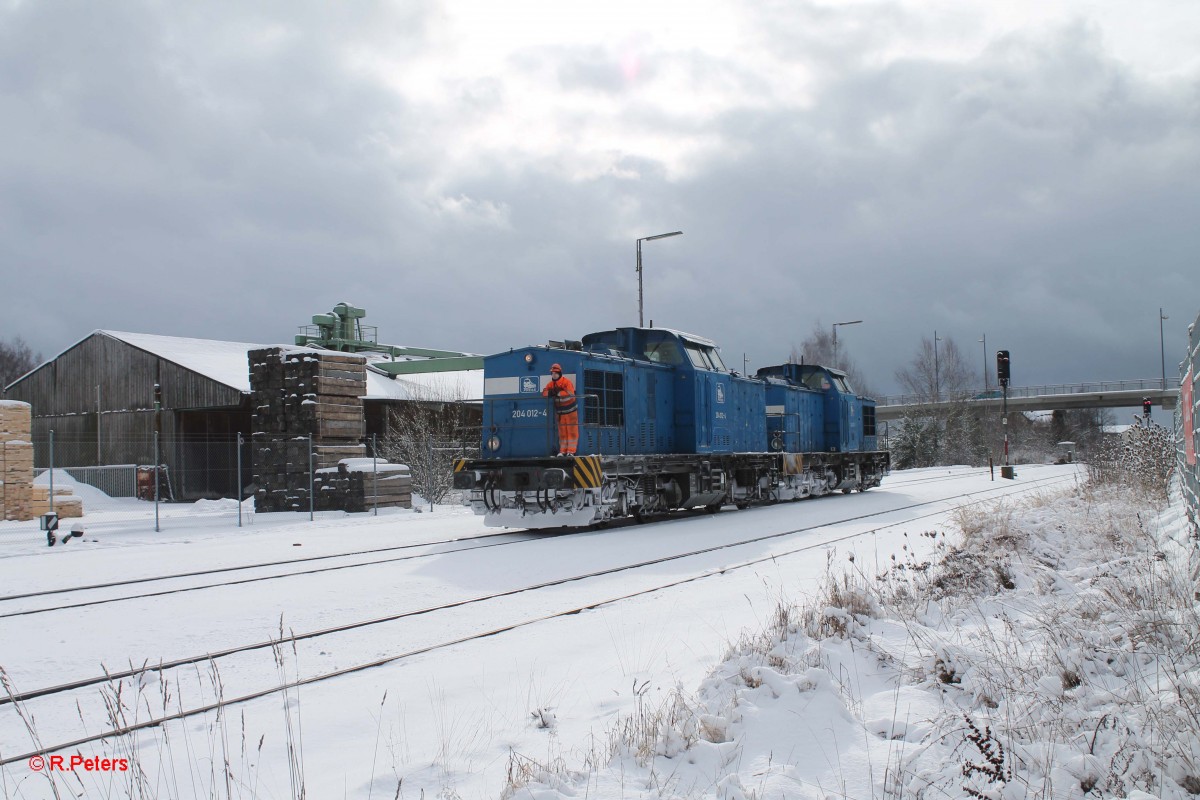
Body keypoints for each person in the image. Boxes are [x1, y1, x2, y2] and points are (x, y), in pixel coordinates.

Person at [542, 363, 578, 456]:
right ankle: (562, 451)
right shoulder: (551, 384)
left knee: (571, 432)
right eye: (552, 373)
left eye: (556, 373)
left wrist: (559, 393)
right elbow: (544, 393)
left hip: (571, 412)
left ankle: (571, 451)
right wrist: (550, 393)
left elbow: (571, 393)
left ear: (559, 373)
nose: (554, 375)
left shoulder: (566, 382)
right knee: (562, 433)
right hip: (560, 413)